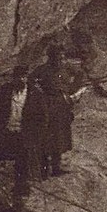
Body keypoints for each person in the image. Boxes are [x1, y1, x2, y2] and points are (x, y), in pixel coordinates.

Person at [0, 68, 50, 195]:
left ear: (27, 78)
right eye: (18, 77)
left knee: (23, 161)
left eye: (23, 77)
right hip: (5, 132)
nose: (21, 80)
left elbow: (43, 118)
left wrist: (35, 135)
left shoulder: (35, 95)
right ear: (14, 78)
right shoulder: (6, 90)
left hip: (23, 134)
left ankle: (20, 189)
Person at [33, 48, 77, 178]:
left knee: (59, 139)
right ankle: (43, 170)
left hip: (60, 107)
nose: (60, 60)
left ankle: (56, 168)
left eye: (62, 57)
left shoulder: (63, 69)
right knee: (46, 138)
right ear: (51, 58)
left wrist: (68, 92)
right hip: (46, 107)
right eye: (58, 57)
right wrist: (40, 93)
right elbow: (31, 81)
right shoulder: (42, 70)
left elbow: (73, 80)